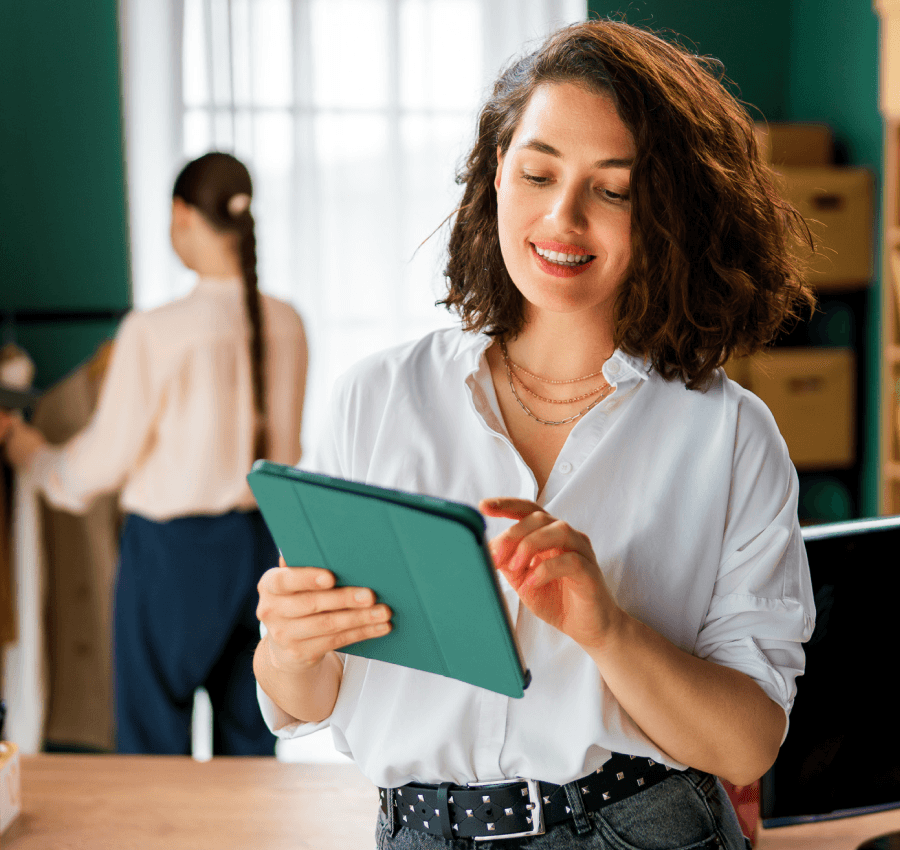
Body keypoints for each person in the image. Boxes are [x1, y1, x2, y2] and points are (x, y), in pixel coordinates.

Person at [254, 20, 816, 850]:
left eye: (613, 189)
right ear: (495, 176)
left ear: (667, 214)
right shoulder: (375, 398)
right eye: (538, 171)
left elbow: (747, 743)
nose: (563, 216)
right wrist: (290, 646)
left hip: (647, 828)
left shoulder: (729, 434)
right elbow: (305, 697)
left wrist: (608, 630)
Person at [1, 152, 308, 757]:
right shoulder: (288, 322)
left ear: (182, 216)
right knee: (249, 749)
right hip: (265, 548)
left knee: (151, 752)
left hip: (172, 555)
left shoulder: (156, 329)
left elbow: (96, 468)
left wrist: (29, 450)